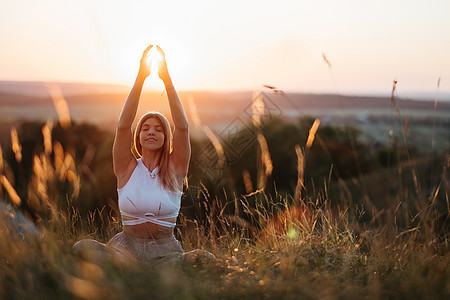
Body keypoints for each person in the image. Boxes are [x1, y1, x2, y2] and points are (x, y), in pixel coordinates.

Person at [73, 45, 215, 269]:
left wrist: (166, 80)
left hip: (166, 252)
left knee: (205, 260)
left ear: (165, 136)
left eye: (158, 129)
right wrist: (141, 78)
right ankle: (136, 273)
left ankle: (153, 275)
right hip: (126, 250)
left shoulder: (175, 169)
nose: (151, 131)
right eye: (146, 128)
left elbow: (183, 127)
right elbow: (122, 126)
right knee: (82, 247)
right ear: (137, 136)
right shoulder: (126, 167)